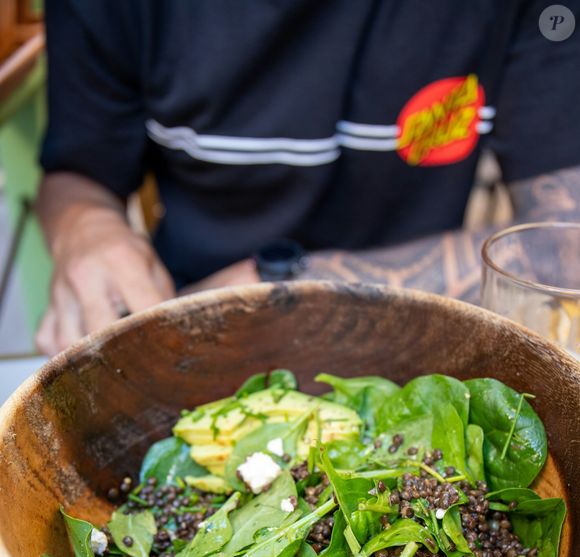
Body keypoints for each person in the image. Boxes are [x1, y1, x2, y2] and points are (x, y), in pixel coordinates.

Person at [36, 0, 580, 354]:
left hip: (417, 339)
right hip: (192, 329)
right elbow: (79, 170)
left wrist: (280, 287)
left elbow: (567, 244)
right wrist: (84, 228)